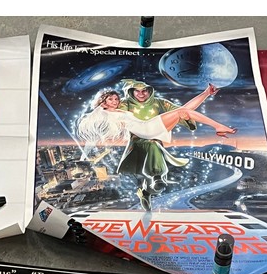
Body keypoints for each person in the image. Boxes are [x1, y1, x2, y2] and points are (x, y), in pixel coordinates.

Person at [76, 87, 236, 211]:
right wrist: (85, 155)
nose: (115, 101)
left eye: (116, 98)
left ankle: (206, 94)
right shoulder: (104, 114)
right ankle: (218, 127)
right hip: (146, 129)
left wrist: (206, 93)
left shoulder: (119, 110)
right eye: (110, 99)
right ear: (103, 102)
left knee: (184, 111)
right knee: (182, 112)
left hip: (148, 128)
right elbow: (95, 130)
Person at [116, 80, 218, 209]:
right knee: (152, 147)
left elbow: (183, 110)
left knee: (159, 186)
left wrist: (206, 93)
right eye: (137, 91)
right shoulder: (125, 104)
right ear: (131, 92)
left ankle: (147, 191)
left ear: (149, 91)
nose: (141, 94)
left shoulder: (159, 102)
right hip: (137, 143)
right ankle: (156, 176)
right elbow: (116, 114)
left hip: (155, 142)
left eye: (144, 90)